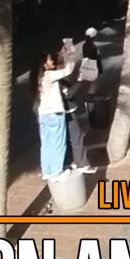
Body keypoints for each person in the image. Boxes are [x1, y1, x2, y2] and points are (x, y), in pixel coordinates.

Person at [35, 51, 74, 183]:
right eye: (50, 60)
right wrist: (70, 55)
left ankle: (47, 171)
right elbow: (68, 70)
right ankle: (57, 172)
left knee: (46, 144)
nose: (52, 62)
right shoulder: (50, 75)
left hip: (43, 114)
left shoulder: (38, 78)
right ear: (44, 64)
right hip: (55, 113)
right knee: (58, 143)